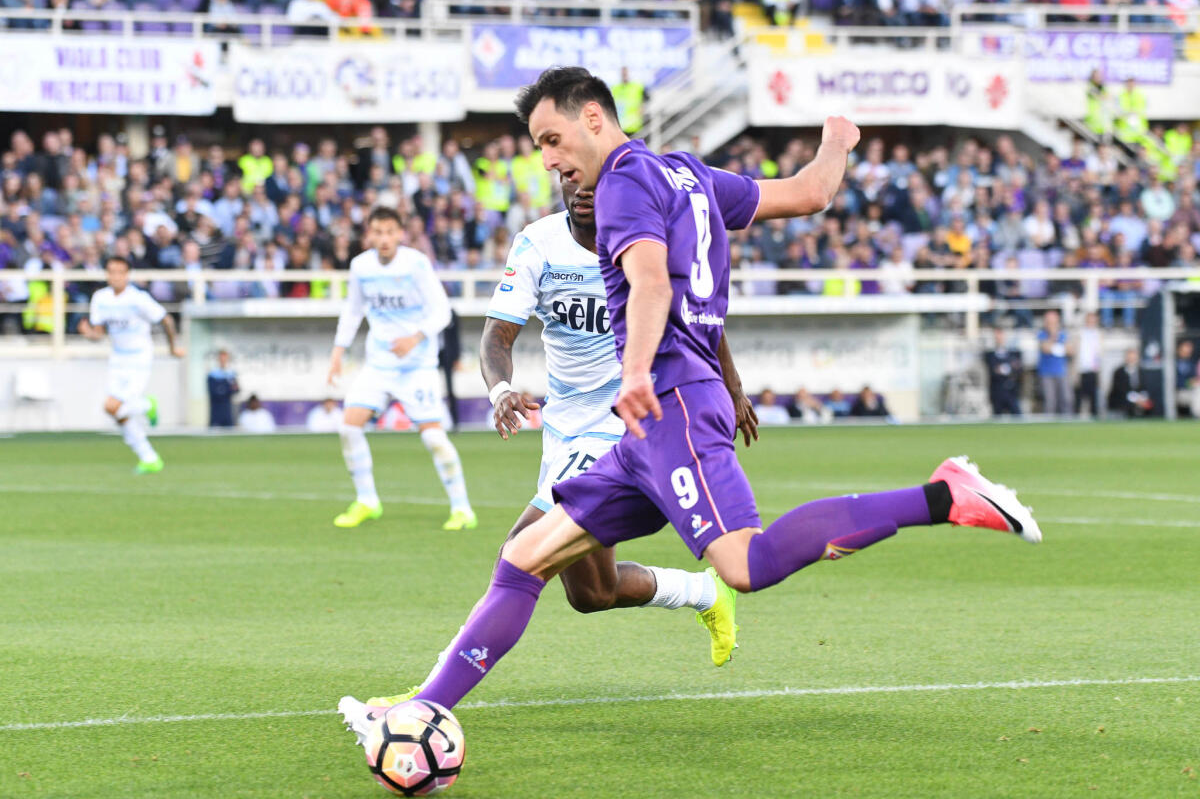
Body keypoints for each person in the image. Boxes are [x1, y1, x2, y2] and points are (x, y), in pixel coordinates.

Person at [338, 66, 1041, 732]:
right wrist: (836, 144)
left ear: (593, 117)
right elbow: (808, 194)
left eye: (552, 140)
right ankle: (423, 711)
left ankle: (945, 496)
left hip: (667, 402)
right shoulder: (688, 174)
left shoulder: (620, 183)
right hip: (648, 425)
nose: (549, 160)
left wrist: (637, 370)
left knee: (746, 564)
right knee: (523, 559)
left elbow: (651, 283)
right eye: (539, 148)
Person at [377, 175, 759, 711]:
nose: (578, 187)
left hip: (626, 420)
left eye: (592, 179)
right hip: (564, 429)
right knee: (591, 594)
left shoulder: (647, 238)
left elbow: (703, 319)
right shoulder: (539, 243)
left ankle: (428, 697)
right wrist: (502, 390)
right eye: (567, 177)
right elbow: (496, 335)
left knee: (518, 554)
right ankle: (702, 592)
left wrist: (733, 387)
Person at [326, 206, 476, 531]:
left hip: (417, 366)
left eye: (389, 232)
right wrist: (338, 351)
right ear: (369, 234)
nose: (383, 239)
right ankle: (367, 501)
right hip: (378, 364)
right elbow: (352, 312)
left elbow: (442, 312)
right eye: (377, 232)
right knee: (348, 427)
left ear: (400, 234)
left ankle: (462, 508)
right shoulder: (360, 266)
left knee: (434, 438)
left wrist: (415, 337)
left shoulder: (416, 264)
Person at [77, 257, 184, 473]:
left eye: (119, 272)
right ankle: (149, 457)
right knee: (116, 412)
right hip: (117, 359)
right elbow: (99, 333)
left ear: (127, 275)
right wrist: (88, 333)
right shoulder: (100, 298)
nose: (115, 277)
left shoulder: (138, 298)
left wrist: (173, 348)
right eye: (111, 272)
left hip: (139, 358)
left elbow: (167, 320)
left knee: (114, 406)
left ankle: (147, 405)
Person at [1037, 310, 1074, 416]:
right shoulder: (1042, 334)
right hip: (1046, 373)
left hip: (1061, 371)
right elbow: (1045, 348)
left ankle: (1067, 422)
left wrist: (1054, 348)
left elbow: (1070, 350)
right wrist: (1054, 339)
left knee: (1066, 399)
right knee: (1050, 401)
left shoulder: (1063, 334)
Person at [984, 327, 1023, 417]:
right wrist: (1009, 367)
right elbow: (994, 370)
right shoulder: (989, 355)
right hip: (997, 392)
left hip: (1012, 391)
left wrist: (1004, 368)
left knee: (1017, 417)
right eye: (997, 337)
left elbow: (1018, 369)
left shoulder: (1014, 353)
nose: (999, 339)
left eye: (1001, 336)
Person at [1108, 347, 1153, 417]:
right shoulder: (1119, 372)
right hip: (1123, 401)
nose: (1131, 360)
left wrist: (1142, 398)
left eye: (1133, 358)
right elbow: (1120, 390)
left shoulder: (1142, 371)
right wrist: (1136, 399)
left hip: (1139, 400)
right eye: (1130, 358)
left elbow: (1145, 387)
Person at [1075, 312, 1102, 418]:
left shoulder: (1098, 334)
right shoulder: (1080, 334)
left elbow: (1099, 353)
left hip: (1093, 370)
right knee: (1079, 397)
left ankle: (1094, 418)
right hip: (1081, 370)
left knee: (1094, 397)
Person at [207, 348, 239, 428]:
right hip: (216, 409)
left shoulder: (231, 374)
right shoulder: (213, 374)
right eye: (221, 357)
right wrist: (227, 390)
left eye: (225, 357)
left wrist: (222, 390)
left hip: (227, 409)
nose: (223, 359)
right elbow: (213, 392)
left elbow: (236, 389)